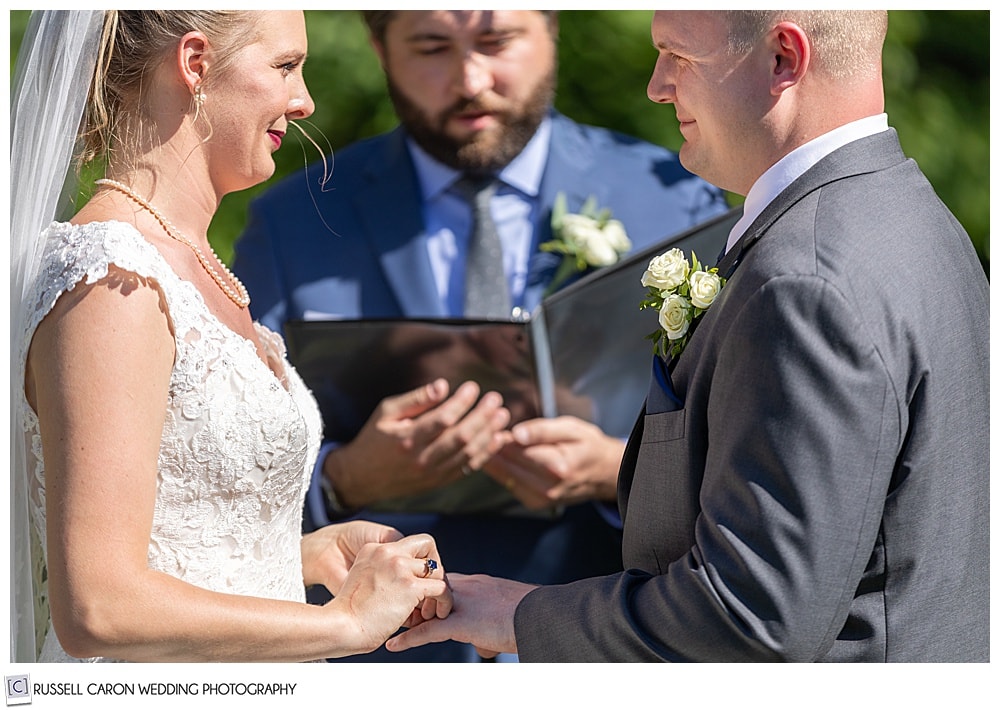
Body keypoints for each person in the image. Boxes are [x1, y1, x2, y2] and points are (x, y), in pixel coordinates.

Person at [386, 10, 990, 662]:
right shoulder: (914, 213)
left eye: (677, 55)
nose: (656, 84)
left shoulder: (804, 282)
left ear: (784, 58)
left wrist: (521, 617)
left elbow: (748, 623)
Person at [232, 9, 727, 662]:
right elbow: (229, 480)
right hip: (387, 658)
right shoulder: (293, 220)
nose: (470, 80)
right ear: (380, 49)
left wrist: (617, 470)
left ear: (552, 32)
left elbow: (743, 450)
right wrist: (345, 479)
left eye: (496, 42)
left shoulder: (677, 198)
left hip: (600, 636)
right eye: (433, 46)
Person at [10, 9, 452, 664]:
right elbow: (98, 607)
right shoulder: (111, 280)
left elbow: (169, 537)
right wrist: (348, 622)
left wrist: (296, 555)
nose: (303, 102)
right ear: (195, 64)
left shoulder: (190, 265)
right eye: (285, 66)